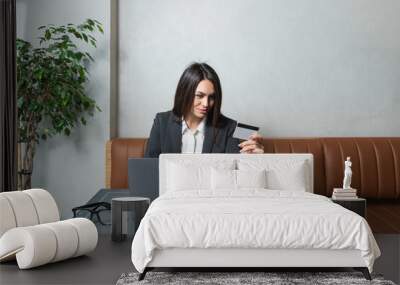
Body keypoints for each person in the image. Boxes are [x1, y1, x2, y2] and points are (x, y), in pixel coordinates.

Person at [144, 62, 264, 158]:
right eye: (199, 96)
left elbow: (250, 137)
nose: (206, 104)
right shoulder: (161, 122)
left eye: (211, 97)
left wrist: (257, 158)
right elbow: (149, 169)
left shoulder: (230, 127)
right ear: (184, 93)